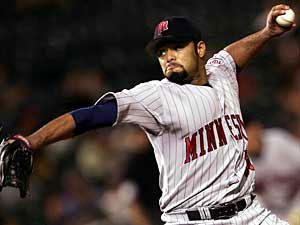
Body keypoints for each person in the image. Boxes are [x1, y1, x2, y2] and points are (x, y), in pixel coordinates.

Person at [12, 4, 296, 225]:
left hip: (251, 213)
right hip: (194, 219)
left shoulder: (221, 72)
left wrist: (267, 33)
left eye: (177, 46)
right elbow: (91, 116)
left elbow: (232, 55)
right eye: (162, 51)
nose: (168, 55)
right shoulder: (155, 96)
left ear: (200, 49)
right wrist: (33, 141)